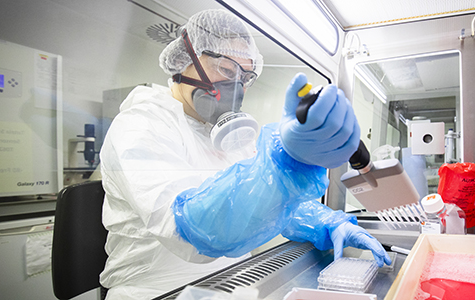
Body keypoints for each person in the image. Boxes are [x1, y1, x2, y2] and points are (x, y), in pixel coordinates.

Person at [99, 9, 391, 299]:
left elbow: (261, 205)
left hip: (230, 283)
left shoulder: (228, 139)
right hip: (154, 291)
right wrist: (285, 162)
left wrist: (327, 222)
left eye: (246, 76)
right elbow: (196, 231)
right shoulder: (140, 126)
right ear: (185, 59)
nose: (236, 86)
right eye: (227, 70)